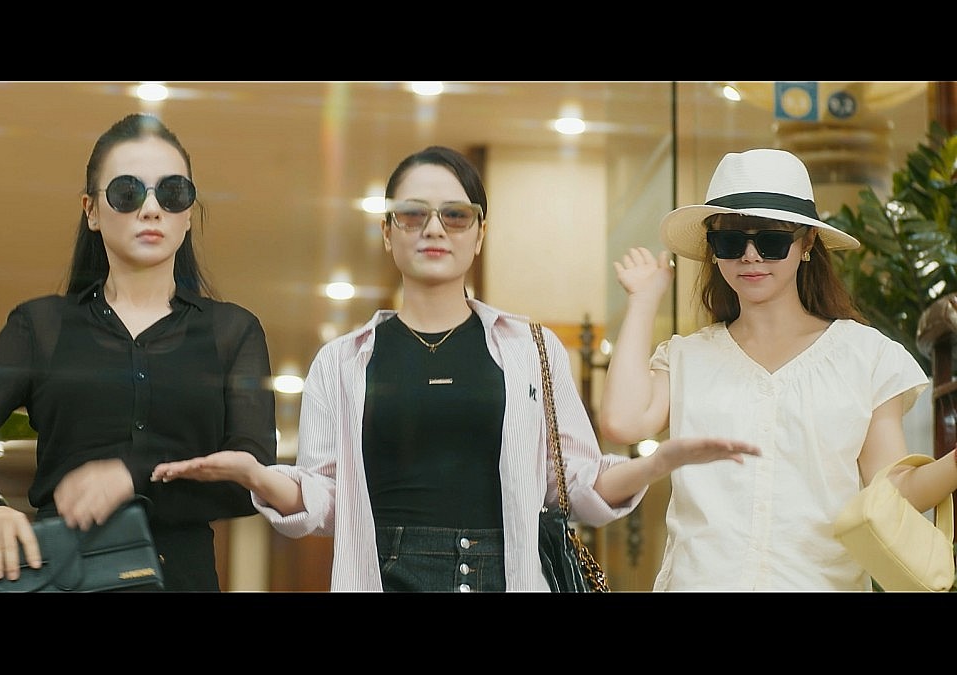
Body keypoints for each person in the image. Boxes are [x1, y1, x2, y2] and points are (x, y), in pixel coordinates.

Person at [151, 145, 758, 592]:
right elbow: (324, 498)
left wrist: (656, 463)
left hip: (507, 576)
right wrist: (256, 476)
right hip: (384, 576)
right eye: (412, 215)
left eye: (456, 215)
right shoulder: (343, 361)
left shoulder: (533, 348)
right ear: (388, 233)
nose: (434, 229)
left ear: (480, 233)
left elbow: (574, 486)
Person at [0, 113, 277, 592]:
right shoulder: (41, 327)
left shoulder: (232, 332)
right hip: (64, 578)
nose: (151, 209)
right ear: (91, 210)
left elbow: (252, 473)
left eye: (172, 193)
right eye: (127, 192)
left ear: (189, 213)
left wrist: (135, 476)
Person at [599, 147, 957, 591]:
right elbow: (623, 421)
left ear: (807, 244)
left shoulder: (865, 356)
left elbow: (893, 491)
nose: (750, 256)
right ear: (712, 250)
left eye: (771, 241)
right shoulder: (688, 357)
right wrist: (642, 301)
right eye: (730, 242)